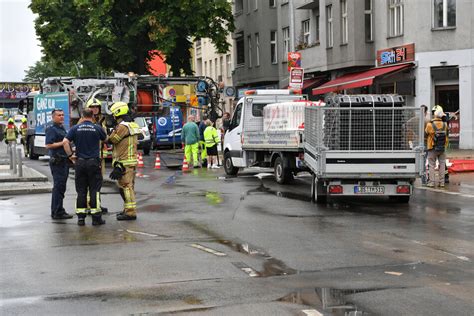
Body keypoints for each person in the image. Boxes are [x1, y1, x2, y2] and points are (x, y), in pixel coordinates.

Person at [64, 109, 107, 226]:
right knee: (94, 190)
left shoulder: (75, 128)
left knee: (81, 191)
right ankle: (96, 218)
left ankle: (81, 219)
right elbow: (106, 139)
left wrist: (70, 156)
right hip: (93, 163)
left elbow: (65, 142)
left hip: (80, 163)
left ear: (82, 116)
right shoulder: (97, 128)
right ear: (92, 116)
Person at [107, 102, 141, 221]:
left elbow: (112, 139)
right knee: (129, 187)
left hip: (124, 161)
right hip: (130, 160)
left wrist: (109, 131)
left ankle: (130, 212)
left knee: (126, 187)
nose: (112, 117)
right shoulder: (132, 124)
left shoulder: (122, 127)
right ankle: (127, 209)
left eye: (113, 114)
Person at [45, 109, 73, 220]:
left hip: (63, 161)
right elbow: (48, 145)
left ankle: (59, 209)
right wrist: (63, 142)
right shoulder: (52, 129)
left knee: (61, 187)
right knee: (58, 187)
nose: (61, 117)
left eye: (62, 115)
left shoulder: (61, 128)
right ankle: (57, 211)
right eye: (59, 115)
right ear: (53, 117)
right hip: (57, 162)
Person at [85, 98, 109, 214]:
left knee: (98, 182)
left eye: (96, 107)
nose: (94, 109)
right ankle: (90, 205)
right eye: (92, 107)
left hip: (100, 157)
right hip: (90, 156)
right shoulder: (85, 121)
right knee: (91, 183)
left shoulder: (101, 121)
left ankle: (97, 203)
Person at [425, 108, 449, 188]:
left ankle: (431, 182)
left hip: (432, 147)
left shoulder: (429, 124)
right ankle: (441, 182)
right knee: (442, 164)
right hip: (442, 147)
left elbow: (426, 133)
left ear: (435, 115)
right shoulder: (445, 124)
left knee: (431, 165)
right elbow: (447, 133)